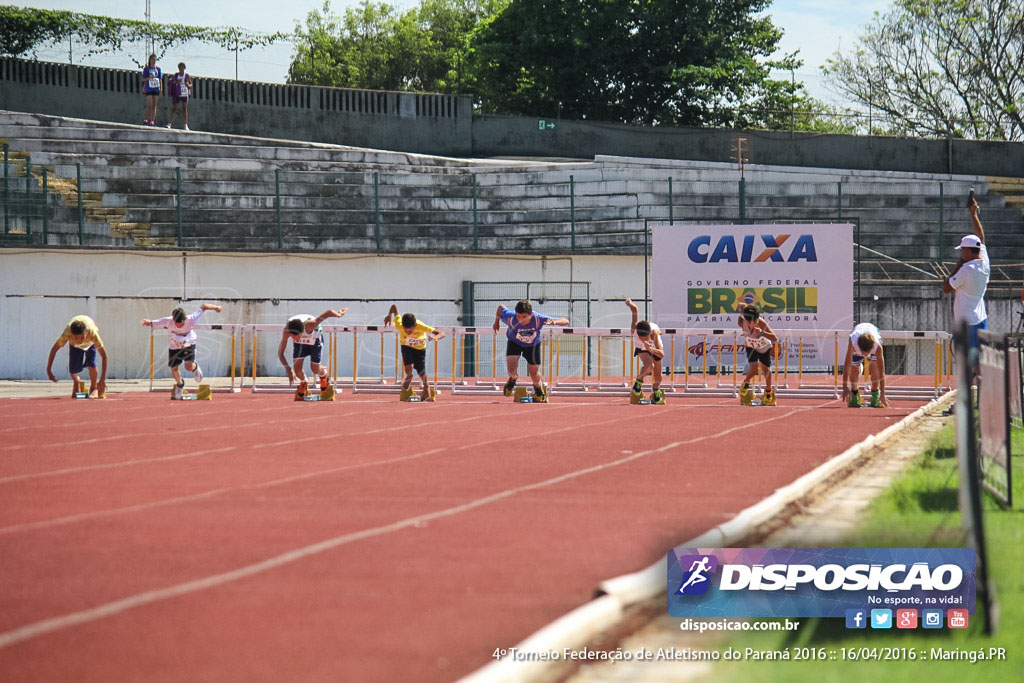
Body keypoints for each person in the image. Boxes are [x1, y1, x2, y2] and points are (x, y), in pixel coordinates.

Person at [492, 300, 569, 402]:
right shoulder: (511, 317)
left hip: (533, 346)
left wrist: (555, 322)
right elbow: (500, 307)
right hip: (514, 342)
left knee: (534, 373)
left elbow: (566, 321)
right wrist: (496, 322)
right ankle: (512, 379)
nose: (520, 320)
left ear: (531, 314)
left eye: (524, 317)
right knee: (511, 369)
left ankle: (537, 387)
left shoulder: (538, 319)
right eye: (518, 316)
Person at [142, 303, 222, 399]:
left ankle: (195, 367)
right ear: (173, 320)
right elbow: (155, 322)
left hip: (188, 343)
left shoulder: (191, 318)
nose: (179, 326)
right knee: (174, 369)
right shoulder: (168, 321)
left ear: (185, 319)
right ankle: (180, 385)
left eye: (181, 324)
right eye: (177, 324)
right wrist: (148, 322)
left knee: (188, 366)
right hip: (174, 346)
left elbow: (203, 306)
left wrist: (216, 307)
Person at [277, 308, 348, 395]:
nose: (294, 338)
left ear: (301, 331)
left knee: (314, 369)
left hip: (315, 340)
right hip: (300, 345)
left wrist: (339, 314)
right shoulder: (286, 331)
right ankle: (304, 381)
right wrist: (289, 370)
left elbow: (328, 312)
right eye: (292, 336)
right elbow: (280, 353)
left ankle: (324, 376)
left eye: (296, 336)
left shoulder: (310, 325)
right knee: (297, 369)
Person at [384, 304, 446, 400]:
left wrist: (435, 337)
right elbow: (394, 307)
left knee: (421, 371)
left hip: (420, 348)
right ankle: (409, 376)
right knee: (408, 367)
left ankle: (426, 387)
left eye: (410, 330)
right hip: (406, 346)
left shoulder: (421, 326)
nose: (408, 332)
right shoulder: (399, 323)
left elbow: (441, 333)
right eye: (405, 330)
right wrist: (389, 315)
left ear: (415, 326)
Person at [46, 315, 109, 398]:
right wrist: (49, 370)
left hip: (90, 343)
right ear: (72, 334)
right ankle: (76, 381)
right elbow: (54, 349)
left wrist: (102, 380)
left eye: (82, 337)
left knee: (92, 365)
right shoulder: (67, 333)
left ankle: (94, 387)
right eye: (77, 338)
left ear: (86, 332)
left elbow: (104, 356)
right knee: (73, 369)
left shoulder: (92, 333)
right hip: (74, 345)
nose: (80, 341)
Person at [736, 303, 778, 406]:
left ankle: (768, 392)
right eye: (749, 322)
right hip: (751, 345)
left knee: (765, 369)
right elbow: (742, 308)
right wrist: (741, 306)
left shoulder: (761, 323)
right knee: (753, 369)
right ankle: (745, 383)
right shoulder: (741, 320)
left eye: (754, 321)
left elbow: (775, 338)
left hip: (763, 347)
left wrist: (762, 333)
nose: (751, 324)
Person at [625, 298, 666, 404]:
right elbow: (635, 309)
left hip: (653, 348)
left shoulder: (654, 334)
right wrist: (629, 303)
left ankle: (656, 389)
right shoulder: (634, 329)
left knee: (657, 375)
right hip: (641, 348)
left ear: (649, 334)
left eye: (645, 337)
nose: (643, 339)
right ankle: (638, 382)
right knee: (649, 366)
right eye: (641, 337)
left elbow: (661, 354)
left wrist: (650, 348)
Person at [841, 322, 888, 408]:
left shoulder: (877, 347)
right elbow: (847, 365)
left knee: (875, 368)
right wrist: (844, 387)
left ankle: (875, 396)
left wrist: (883, 394)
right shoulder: (853, 343)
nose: (865, 356)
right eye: (863, 353)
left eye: (867, 354)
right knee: (854, 368)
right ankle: (855, 395)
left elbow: (881, 372)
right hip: (858, 334)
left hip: (873, 331)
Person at [166, 62, 194, 131]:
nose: (181, 69)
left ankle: (185, 125)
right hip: (177, 92)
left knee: (184, 108)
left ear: (184, 68)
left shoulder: (187, 76)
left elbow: (191, 85)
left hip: (184, 93)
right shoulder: (176, 75)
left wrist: (187, 85)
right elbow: (172, 82)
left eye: (182, 67)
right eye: (179, 67)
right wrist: (176, 81)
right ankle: (170, 123)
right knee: (175, 108)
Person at [140, 54, 162, 126]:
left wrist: (161, 89)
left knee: (154, 105)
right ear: (150, 60)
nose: (153, 61)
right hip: (149, 88)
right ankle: (145, 119)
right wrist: (149, 78)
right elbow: (142, 79)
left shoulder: (158, 69)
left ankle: (152, 120)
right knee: (150, 105)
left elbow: (160, 79)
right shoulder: (146, 69)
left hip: (156, 88)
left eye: (155, 59)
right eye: (152, 59)